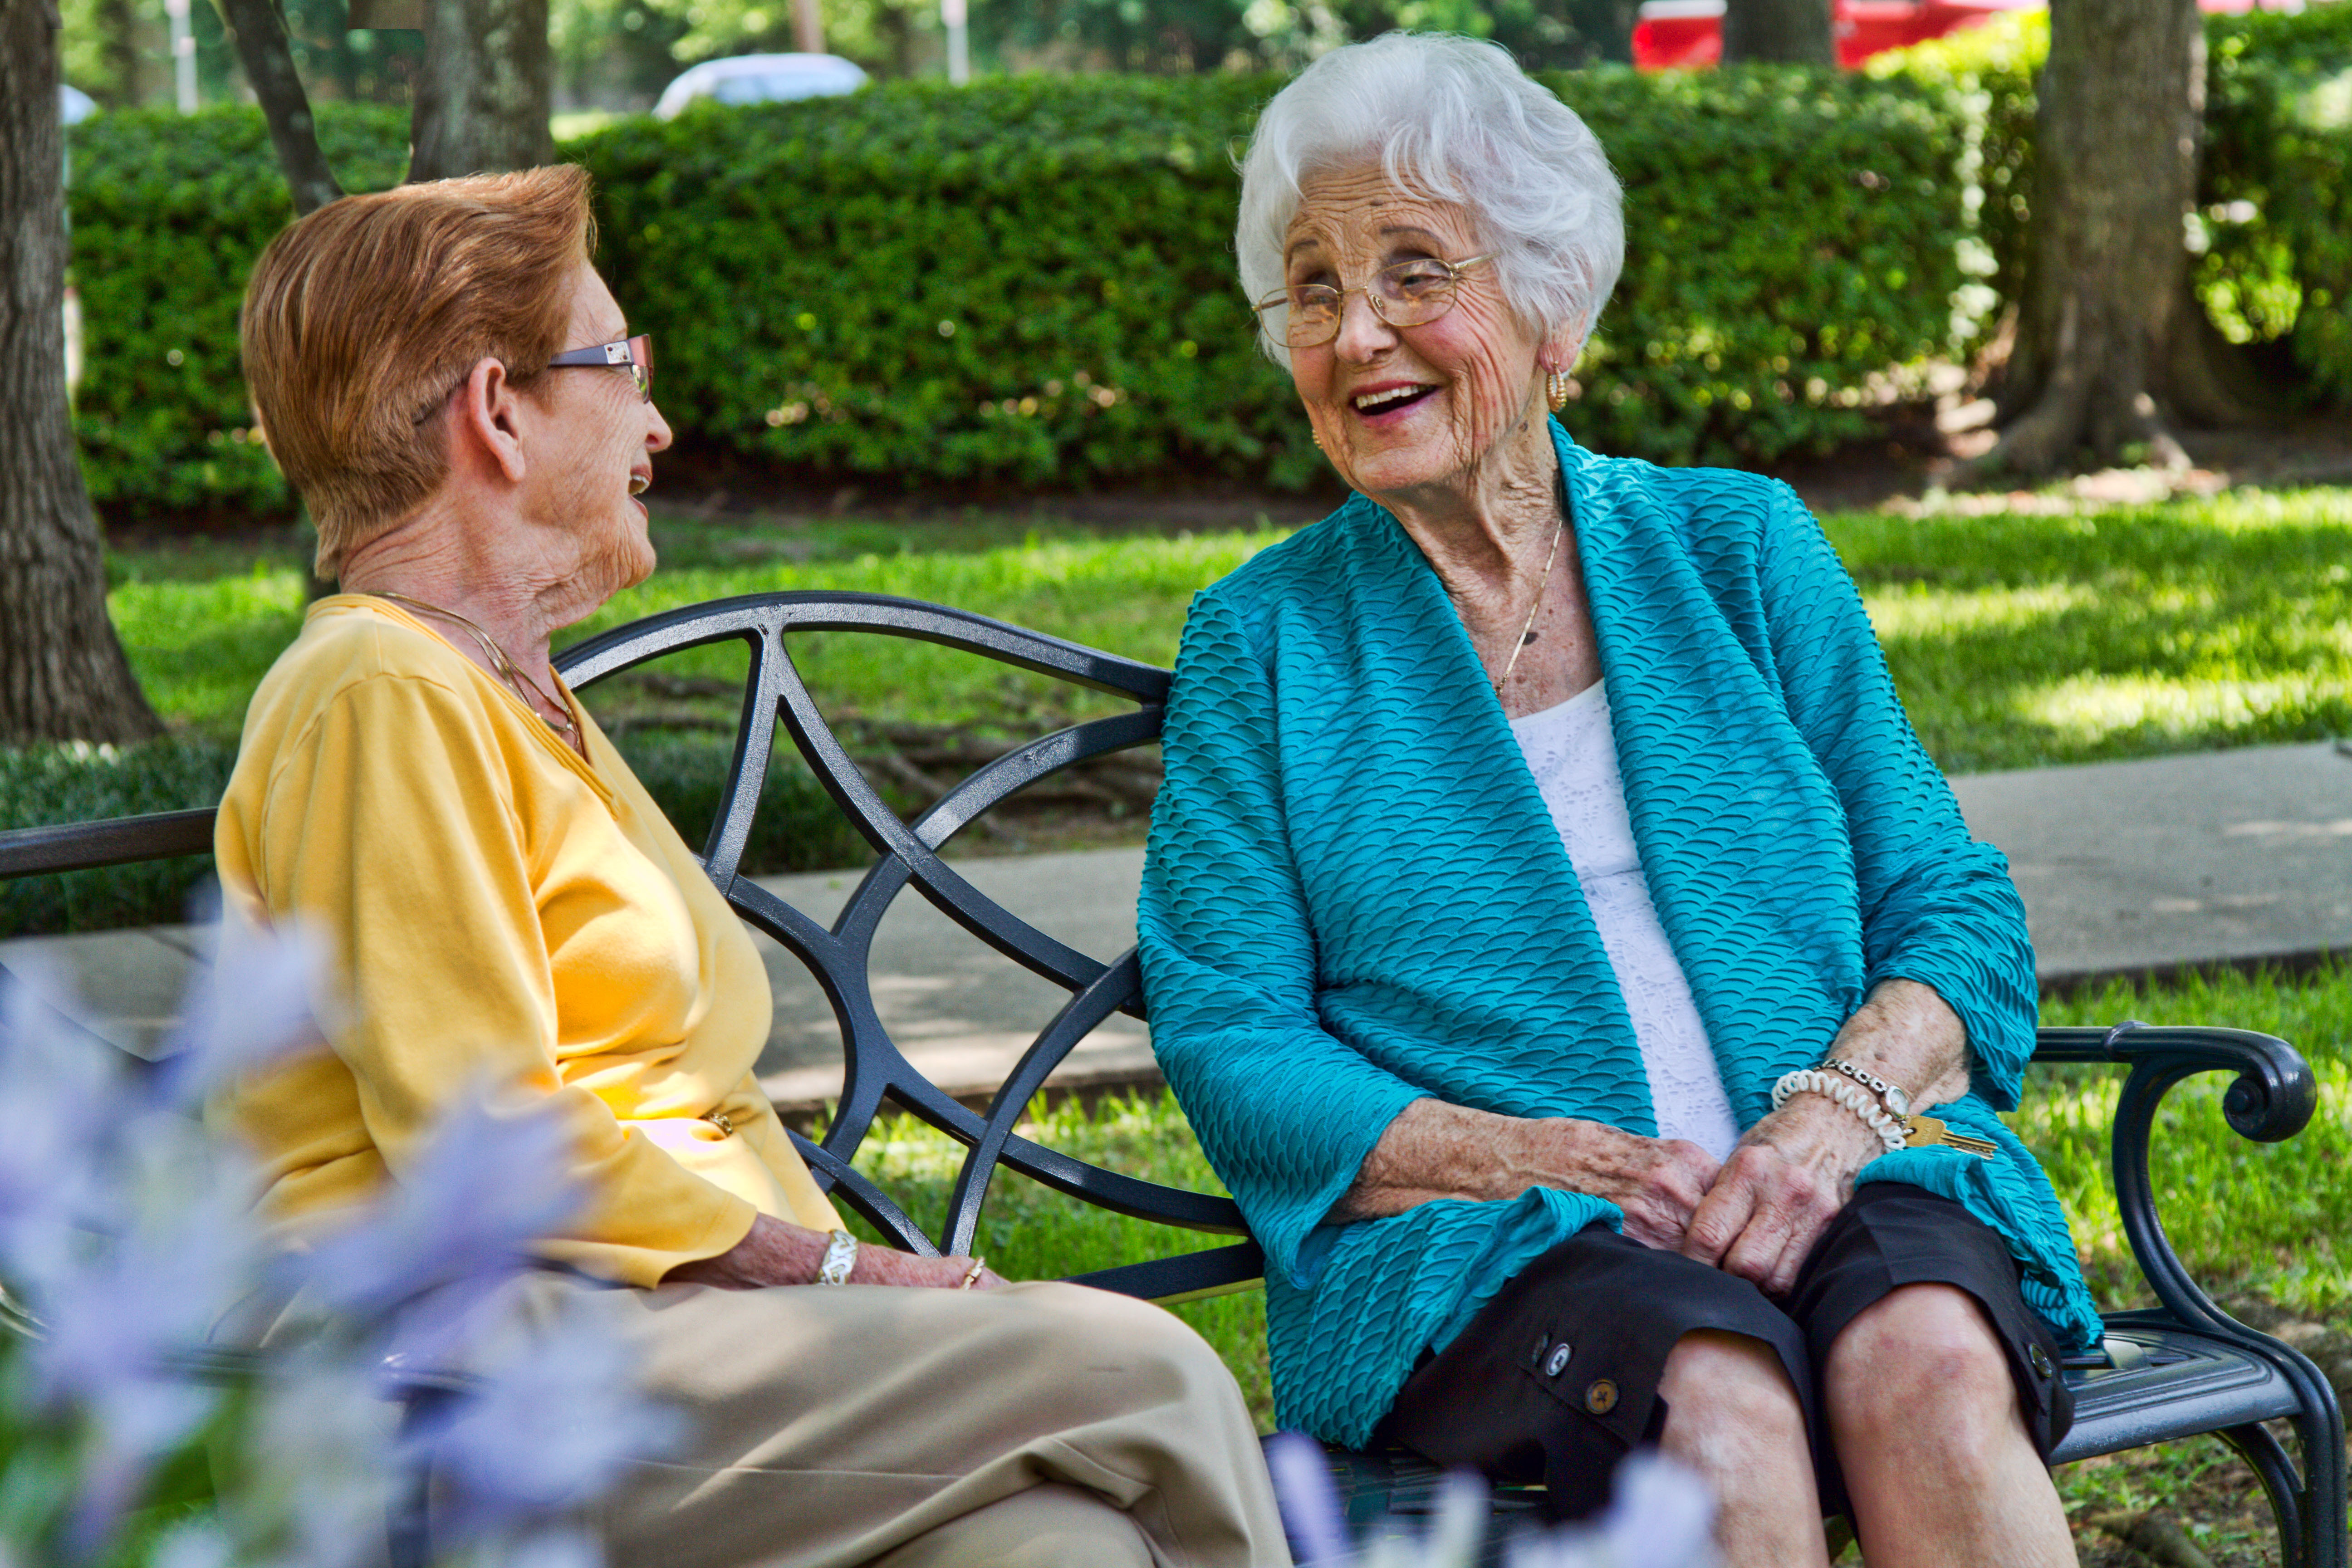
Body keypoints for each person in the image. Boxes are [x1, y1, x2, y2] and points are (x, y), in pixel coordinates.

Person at [213, 165, 1288, 1568]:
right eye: (624, 368)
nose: (656, 422)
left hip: (680, 1346)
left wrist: (844, 1306)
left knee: (1056, 1549)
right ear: (497, 411)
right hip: (465, 1382)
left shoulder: (507, 691)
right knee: (1141, 1372)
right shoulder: (377, 691)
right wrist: (840, 1270)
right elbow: (482, 1137)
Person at [1136, 33, 2101, 1568]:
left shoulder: (1740, 549)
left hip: (1840, 1162)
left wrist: (1827, 1124)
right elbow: (1230, 1035)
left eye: (1411, 271)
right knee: (1714, 1400)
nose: (1359, 331)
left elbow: (1952, 909)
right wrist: (1548, 1159)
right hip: (1496, 1250)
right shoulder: (1264, 643)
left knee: (1921, 1359)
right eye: (1313, 290)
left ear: (1550, 308)